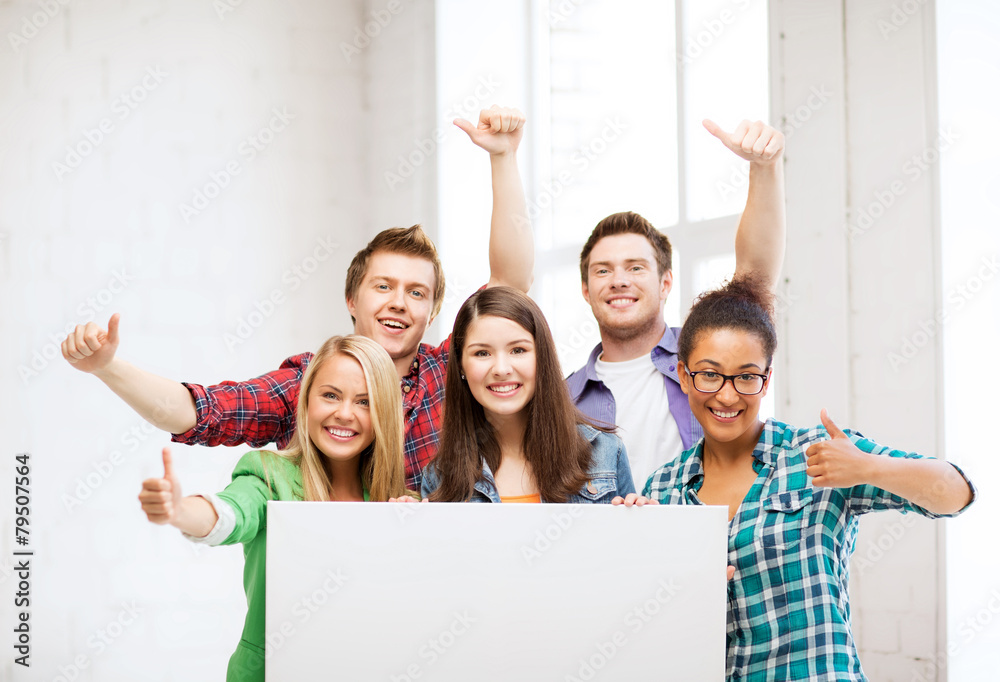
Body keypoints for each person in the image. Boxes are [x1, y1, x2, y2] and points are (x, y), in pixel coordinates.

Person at [62, 106, 533, 491]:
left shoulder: (449, 372)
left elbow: (510, 286)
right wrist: (107, 367)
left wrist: (503, 157)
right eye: (383, 286)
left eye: (416, 293)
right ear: (352, 298)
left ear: (432, 312)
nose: (398, 303)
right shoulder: (311, 383)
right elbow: (203, 412)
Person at [634, 276, 975, 681]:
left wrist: (868, 467)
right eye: (710, 374)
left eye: (746, 376)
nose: (727, 396)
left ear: (766, 378)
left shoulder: (817, 455)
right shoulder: (662, 487)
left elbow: (957, 493)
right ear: (684, 375)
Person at [138, 335, 407, 682]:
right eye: (330, 395)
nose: (344, 413)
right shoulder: (269, 474)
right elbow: (233, 513)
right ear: (306, 400)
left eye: (365, 402)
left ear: (384, 415)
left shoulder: (399, 501)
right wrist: (179, 510)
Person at [568, 119, 787, 490]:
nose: (619, 280)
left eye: (636, 267)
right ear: (587, 291)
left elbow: (756, 277)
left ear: (665, 282)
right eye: (603, 270)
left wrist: (764, 168)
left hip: (714, 542)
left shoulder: (711, 356)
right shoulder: (563, 399)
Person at [419, 286, 633, 503]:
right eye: (482, 353)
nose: (501, 369)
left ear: (542, 356)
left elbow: (629, 537)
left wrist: (643, 520)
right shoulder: (439, 477)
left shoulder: (605, 452)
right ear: (460, 366)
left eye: (518, 350)